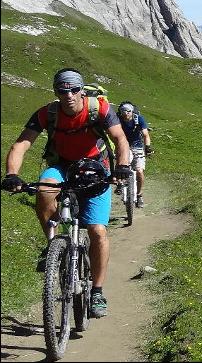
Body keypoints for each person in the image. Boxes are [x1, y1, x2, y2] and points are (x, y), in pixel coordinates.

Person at [1, 68, 132, 319]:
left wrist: (123, 167)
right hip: (62, 164)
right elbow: (22, 143)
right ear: (56, 91)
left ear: (81, 90)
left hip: (96, 167)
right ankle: (54, 245)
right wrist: (12, 174)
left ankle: (97, 291)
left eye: (73, 89)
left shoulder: (100, 109)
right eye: (63, 90)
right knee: (44, 188)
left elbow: (120, 138)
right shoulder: (47, 113)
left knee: (97, 231)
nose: (69, 94)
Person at [116, 102, 152, 207]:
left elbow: (145, 134)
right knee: (122, 164)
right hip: (123, 145)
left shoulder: (139, 119)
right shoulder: (117, 120)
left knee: (140, 171)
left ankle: (139, 195)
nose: (126, 113)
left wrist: (148, 147)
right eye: (123, 111)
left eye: (128, 111)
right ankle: (119, 182)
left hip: (137, 145)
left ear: (132, 111)